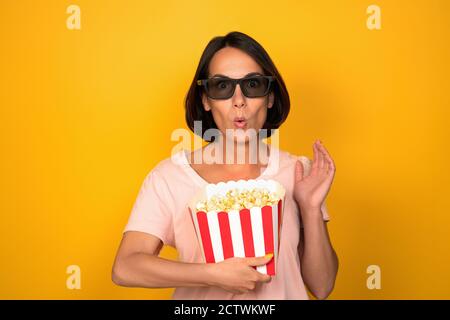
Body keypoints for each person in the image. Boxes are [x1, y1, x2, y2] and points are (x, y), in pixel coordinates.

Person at [112, 31, 338, 299]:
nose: (238, 101)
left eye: (252, 85)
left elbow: (322, 287)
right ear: (205, 100)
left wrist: (310, 209)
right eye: (222, 87)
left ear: (270, 97)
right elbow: (125, 267)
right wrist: (211, 274)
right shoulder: (170, 177)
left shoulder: (298, 173)